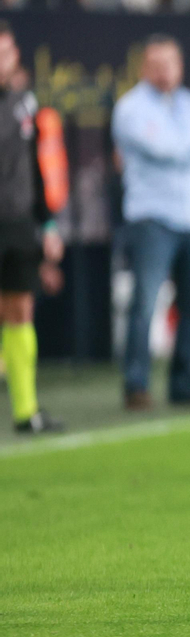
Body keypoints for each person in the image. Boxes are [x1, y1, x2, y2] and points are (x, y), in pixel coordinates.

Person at [112, 35, 190, 410]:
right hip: (152, 216)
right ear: (144, 68)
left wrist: (186, 147)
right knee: (145, 303)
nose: (164, 72)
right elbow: (165, 150)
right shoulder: (130, 108)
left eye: (170, 64)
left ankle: (182, 382)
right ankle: (136, 384)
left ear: (180, 66)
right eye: (156, 65)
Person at [0, 23, 66, 433]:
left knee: (20, 309)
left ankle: (27, 410)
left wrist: (48, 223)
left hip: (19, 224)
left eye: (7, 52)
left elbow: (37, 170)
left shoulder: (25, 103)